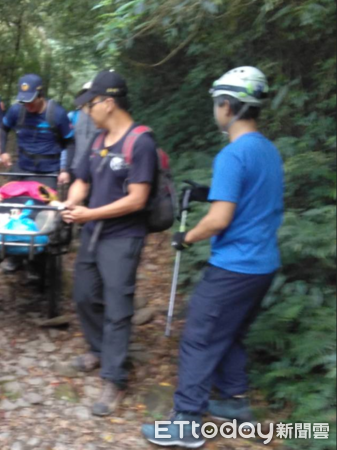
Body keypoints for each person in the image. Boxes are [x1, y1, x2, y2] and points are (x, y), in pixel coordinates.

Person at [141, 66, 283, 448]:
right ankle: (235, 401)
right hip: (263, 265)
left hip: (234, 266)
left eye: (217, 104)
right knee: (230, 332)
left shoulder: (233, 154)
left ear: (227, 106)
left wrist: (185, 237)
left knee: (200, 338)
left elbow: (220, 219)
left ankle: (186, 420)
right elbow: (251, 198)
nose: (215, 110)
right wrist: (206, 192)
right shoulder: (268, 150)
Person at [61, 69, 158, 416]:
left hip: (122, 238)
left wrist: (90, 214)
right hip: (93, 233)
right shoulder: (98, 141)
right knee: (85, 295)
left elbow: (137, 199)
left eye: (90, 105)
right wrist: (73, 203)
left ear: (109, 102)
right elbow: (80, 181)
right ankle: (100, 350)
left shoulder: (140, 142)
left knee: (118, 309)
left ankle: (114, 378)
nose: (87, 111)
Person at [0, 73, 74, 273]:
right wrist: (3, 150)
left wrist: (64, 169)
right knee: (11, 209)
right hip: (22, 169)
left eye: (31, 101)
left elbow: (69, 141)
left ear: (40, 95)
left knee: (39, 213)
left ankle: (36, 261)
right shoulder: (17, 111)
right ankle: (14, 254)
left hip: (47, 172)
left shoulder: (56, 113)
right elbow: (3, 128)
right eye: (24, 101)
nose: (27, 106)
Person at [68, 81, 99, 179]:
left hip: (96, 169)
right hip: (75, 168)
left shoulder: (102, 119)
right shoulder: (72, 116)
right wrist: (64, 168)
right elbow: (66, 145)